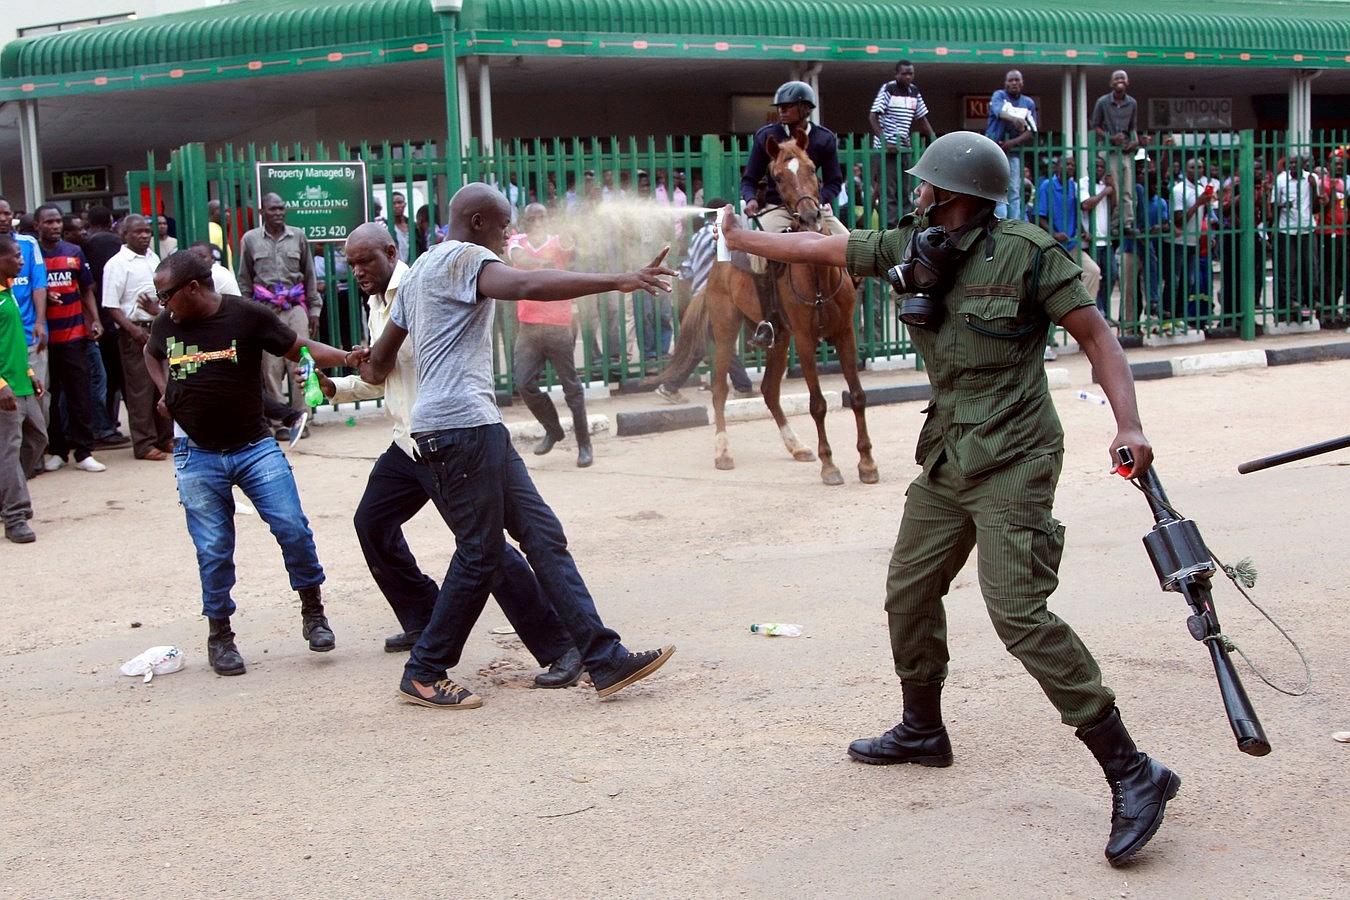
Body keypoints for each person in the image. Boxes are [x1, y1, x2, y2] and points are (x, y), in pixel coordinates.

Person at [720, 131, 1178, 868]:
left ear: (956, 193)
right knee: (908, 589)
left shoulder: (1030, 254)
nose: (917, 192)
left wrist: (1129, 422)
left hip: (1017, 454)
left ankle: (1133, 771)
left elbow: (1099, 337)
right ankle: (921, 728)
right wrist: (741, 234)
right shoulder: (910, 242)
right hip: (949, 451)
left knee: (1018, 613)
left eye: (926, 184)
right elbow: (821, 253)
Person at [360, 182, 677, 709]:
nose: (511, 235)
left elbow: (380, 361)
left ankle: (603, 658)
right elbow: (529, 283)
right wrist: (619, 280)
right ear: (479, 223)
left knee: (542, 534)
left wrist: (358, 364)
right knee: (480, 554)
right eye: (504, 225)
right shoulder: (466, 259)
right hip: (459, 430)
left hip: (473, 427)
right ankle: (424, 671)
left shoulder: (417, 274)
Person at [303, 224, 583, 687]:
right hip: (405, 442)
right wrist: (336, 388)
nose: (357, 272)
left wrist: (363, 364)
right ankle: (424, 617)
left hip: (442, 442)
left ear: (391, 252)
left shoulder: (423, 288)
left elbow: (391, 363)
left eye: (364, 261)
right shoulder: (376, 303)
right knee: (372, 522)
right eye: (351, 264)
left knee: (484, 550)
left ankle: (558, 646)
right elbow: (384, 376)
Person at [144, 250, 363, 676]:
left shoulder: (246, 316)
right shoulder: (165, 324)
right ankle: (220, 635)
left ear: (193, 288)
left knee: (293, 528)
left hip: (253, 447)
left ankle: (313, 613)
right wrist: (164, 390)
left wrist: (348, 358)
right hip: (195, 452)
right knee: (213, 549)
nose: (161, 304)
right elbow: (152, 354)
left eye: (166, 294)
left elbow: (298, 346)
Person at [741, 80, 847, 349]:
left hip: (812, 207)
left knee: (850, 244)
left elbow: (835, 180)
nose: (781, 111)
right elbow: (749, 179)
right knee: (758, 257)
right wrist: (751, 199)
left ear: (804, 108)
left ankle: (845, 311)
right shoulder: (766, 137)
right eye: (780, 107)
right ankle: (769, 320)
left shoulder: (824, 139)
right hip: (778, 209)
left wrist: (820, 200)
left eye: (787, 107)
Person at [507, 203, 594, 468]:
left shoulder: (559, 241)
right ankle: (553, 429)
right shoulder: (516, 240)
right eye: (532, 218)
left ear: (548, 220)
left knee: (571, 388)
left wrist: (569, 238)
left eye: (542, 217)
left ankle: (584, 445)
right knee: (524, 383)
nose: (537, 222)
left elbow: (570, 247)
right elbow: (518, 258)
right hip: (529, 327)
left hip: (558, 326)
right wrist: (542, 263)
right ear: (525, 221)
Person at [237, 193, 322, 437]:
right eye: (273, 209)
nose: (278, 213)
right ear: (262, 212)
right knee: (271, 367)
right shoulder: (251, 239)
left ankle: (302, 417)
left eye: (281, 208)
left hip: (295, 307)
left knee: (301, 361)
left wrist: (314, 310)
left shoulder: (298, 236)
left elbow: (309, 276)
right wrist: (249, 313)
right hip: (265, 310)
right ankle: (281, 422)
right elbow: (245, 280)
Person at [655, 199, 755, 404]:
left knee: (706, 344)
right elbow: (727, 263)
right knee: (718, 343)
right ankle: (742, 386)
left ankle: (671, 386)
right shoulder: (719, 235)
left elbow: (687, 269)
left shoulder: (698, 235)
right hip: (714, 298)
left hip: (698, 296)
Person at [34, 205, 105, 473]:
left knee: (80, 393)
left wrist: (94, 319)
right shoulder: (33, 255)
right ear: (38, 226)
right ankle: (57, 450)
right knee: (49, 396)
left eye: (56, 221)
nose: (54, 226)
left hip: (74, 334)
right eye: (48, 222)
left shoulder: (74, 252)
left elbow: (86, 290)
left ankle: (84, 452)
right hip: (43, 339)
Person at [101, 214, 172, 460]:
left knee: (162, 384)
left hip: (158, 327)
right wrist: (134, 331)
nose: (144, 236)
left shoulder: (154, 258)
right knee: (140, 389)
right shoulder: (117, 264)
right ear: (124, 234)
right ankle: (144, 444)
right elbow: (111, 305)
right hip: (135, 333)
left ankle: (165, 438)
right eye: (138, 232)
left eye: (147, 231)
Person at [0, 234, 47, 543]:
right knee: (9, 450)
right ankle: (16, 516)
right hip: (5, 389)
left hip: (22, 381)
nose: (21, 260)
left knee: (38, 438)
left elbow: (12, 340)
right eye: (15, 256)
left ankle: (6, 495)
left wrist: (29, 371)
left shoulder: (10, 291)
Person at [0, 196, 48, 463]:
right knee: (9, 442)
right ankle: (13, 497)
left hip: (24, 349)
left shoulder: (27, 245)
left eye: (7, 212)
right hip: (5, 379)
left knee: (37, 435)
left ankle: (14, 481)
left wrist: (40, 321)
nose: (4, 217)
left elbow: (38, 284)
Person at [869, 60, 937, 229]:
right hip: (886, 149)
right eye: (904, 73)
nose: (908, 76)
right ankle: (892, 228)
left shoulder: (914, 91)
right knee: (889, 192)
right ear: (896, 74)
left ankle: (906, 225)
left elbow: (922, 118)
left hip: (904, 147)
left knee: (905, 190)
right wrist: (885, 142)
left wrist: (934, 141)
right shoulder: (889, 89)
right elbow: (873, 116)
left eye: (910, 73)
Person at [83, 205, 130, 448]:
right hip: (116, 319)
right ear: (111, 220)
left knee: (103, 377)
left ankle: (106, 424)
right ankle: (107, 426)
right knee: (115, 377)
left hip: (96, 318)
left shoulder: (86, 244)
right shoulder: (115, 244)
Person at [1037, 155, 1103, 300]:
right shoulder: (1047, 186)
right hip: (1054, 247)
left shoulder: (1073, 186)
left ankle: (1082, 311)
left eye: (1073, 165)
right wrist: (1054, 234)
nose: (1071, 167)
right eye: (1067, 164)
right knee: (1058, 285)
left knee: (1093, 271)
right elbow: (1040, 217)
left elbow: (1075, 212)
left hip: (1072, 244)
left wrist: (1084, 231)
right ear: (1058, 167)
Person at [1091, 70, 1140, 235]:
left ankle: (1127, 223)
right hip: (1109, 150)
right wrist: (1110, 138)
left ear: (1127, 82)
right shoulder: (1103, 102)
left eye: (1122, 78)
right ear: (1111, 83)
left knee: (1128, 189)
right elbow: (1095, 126)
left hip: (1125, 150)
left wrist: (1135, 141)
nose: (1120, 81)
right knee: (1115, 189)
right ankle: (1113, 225)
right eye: (1116, 78)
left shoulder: (1132, 103)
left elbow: (1133, 127)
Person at [985, 70, 1038, 221]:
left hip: (1013, 151)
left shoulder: (1028, 103)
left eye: (1017, 80)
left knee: (1014, 189)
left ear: (1022, 83)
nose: (1014, 83)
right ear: (1006, 83)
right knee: (997, 188)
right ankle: (999, 222)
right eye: (1011, 80)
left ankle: (1013, 223)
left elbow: (1032, 130)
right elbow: (998, 111)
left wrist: (1012, 143)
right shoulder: (999, 96)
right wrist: (1014, 119)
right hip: (994, 150)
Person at [1170, 157, 1216, 324]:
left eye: (1200, 167)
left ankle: (1181, 318)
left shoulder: (1200, 188)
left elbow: (1204, 216)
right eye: (1192, 167)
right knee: (1175, 282)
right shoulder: (1179, 190)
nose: (1197, 170)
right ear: (1185, 169)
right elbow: (1178, 220)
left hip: (1193, 242)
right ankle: (1171, 317)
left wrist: (1208, 234)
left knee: (1188, 281)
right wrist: (1198, 203)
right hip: (1178, 242)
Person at [1079, 158, 1117, 319]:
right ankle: (1099, 312)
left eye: (1102, 167)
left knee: (1112, 274)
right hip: (1091, 241)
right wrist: (1105, 192)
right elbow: (1086, 204)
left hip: (1105, 240)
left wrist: (1113, 188)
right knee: (1096, 277)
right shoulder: (1083, 183)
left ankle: (1104, 310)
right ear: (1089, 168)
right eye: (1096, 166)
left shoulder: (1105, 185)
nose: (1099, 170)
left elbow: (1114, 206)